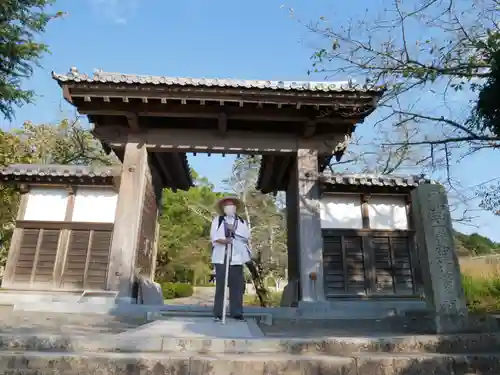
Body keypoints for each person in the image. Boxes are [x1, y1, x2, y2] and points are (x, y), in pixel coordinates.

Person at [210, 196, 251, 321]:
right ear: (223, 208)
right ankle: (218, 313)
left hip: (236, 257)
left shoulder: (242, 222)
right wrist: (224, 240)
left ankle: (236, 312)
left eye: (231, 204)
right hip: (221, 255)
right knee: (221, 285)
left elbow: (245, 237)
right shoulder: (218, 220)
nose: (229, 207)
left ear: (235, 207)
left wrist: (234, 235)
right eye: (227, 205)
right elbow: (214, 237)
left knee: (236, 286)